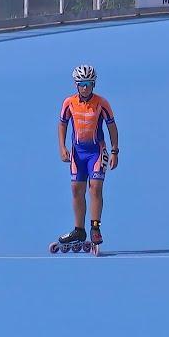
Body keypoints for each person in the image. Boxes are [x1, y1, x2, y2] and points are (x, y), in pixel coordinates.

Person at [57, 64, 119, 249]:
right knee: (76, 190)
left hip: (96, 152)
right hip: (78, 153)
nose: (85, 87)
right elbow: (62, 125)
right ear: (76, 85)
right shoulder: (69, 102)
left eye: (89, 83)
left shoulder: (102, 103)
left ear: (94, 84)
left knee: (96, 188)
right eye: (82, 83)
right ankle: (79, 229)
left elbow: (112, 127)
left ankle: (95, 228)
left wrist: (115, 150)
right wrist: (62, 147)